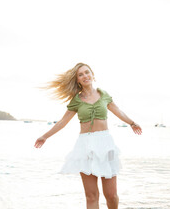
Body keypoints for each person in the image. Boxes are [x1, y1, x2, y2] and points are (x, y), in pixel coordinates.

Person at [34, 63, 142, 209]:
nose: (85, 76)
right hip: (84, 146)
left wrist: (132, 123)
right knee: (91, 196)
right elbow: (63, 121)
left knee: (111, 195)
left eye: (87, 72)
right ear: (77, 80)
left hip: (106, 144)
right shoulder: (76, 100)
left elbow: (118, 111)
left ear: (92, 74)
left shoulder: (103, 95)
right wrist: (45, 136)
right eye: (81, 74)